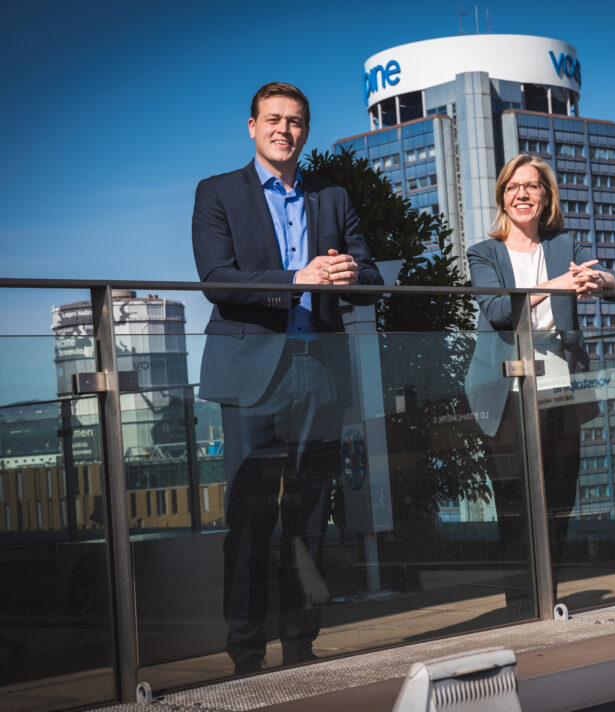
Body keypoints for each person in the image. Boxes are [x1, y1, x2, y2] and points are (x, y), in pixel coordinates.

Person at [192, 82, 381, 673]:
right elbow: (217, 281)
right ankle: (245, 652)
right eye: (272, 120)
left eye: (295, 121)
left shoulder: (333, 196)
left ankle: (301, 648)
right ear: (251, 126)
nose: (284, 130)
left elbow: (372, 276)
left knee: (310, 517)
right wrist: (299, 278)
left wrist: (347, 273)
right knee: (249, 518)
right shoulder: (218, 193)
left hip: (319, 375)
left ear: (306, 130)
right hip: (250, 375)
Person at [465, 154, 615, 612]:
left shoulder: (564, 245)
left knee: (559, 501)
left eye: (532, 187)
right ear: (502, 195)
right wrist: (558, 285)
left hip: (562, 390)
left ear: (545, 197)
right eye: (513, 187)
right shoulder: (485, 252)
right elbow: (498, 312)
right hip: (506, 392)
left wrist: (598, 277)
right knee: (515, 506)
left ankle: (549, 598)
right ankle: (521, 605)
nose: (522, 194)